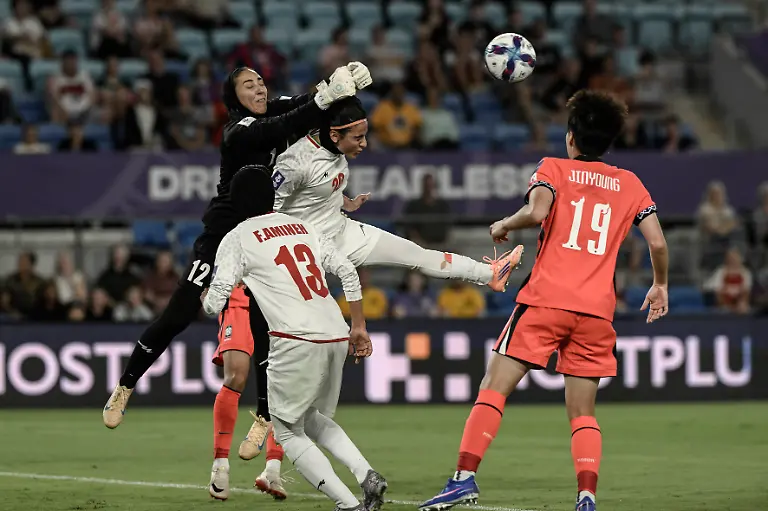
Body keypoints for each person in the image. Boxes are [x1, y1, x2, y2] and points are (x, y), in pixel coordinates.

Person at [248, 96, 524, 498]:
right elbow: (266, 209)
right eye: (358, 137)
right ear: (334, 133)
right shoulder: (293, 163)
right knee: (307, 387)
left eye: (365, 135)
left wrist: (345, 202)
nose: (364, 144)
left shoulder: (334, 154)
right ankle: (279, 459)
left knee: (416, 255)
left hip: (343, 230)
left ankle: (490, 275)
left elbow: (316, 195)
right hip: (311, 251)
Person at [103, 62, 372, 459]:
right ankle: (126, 385)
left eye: (261, 82)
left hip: (263, 233)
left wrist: (340, 86)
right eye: (249, 85)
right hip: (222, 234)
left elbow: (305, 104)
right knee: (179, 312)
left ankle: (264, 415)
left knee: (269, 324)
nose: (259, 89)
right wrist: (326, 97)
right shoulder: (237, 130)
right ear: (234, 97)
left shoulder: (274, 108)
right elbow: (287, 124)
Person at [419, 90, 670, 511]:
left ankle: (463, 479)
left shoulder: (554, 167)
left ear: (571, 137)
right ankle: (586, 497)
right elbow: (658, 243)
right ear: (608, 142)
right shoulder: (631, 184)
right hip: (596, 313)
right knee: (582, 412)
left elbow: (536, 212)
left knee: (493, 388)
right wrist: (659, 284)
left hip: (546, 302)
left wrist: (503, 224)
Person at [202, 167, 387, 511]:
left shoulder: (238, 237)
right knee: (312, 419)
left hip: (295, 338)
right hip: (335, 333)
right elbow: (347, 270)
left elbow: (215, 302)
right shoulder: (303, 226)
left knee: (287, 431)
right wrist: (358, 325)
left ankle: (348, 505)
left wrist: (207, 298)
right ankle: (366, 475)